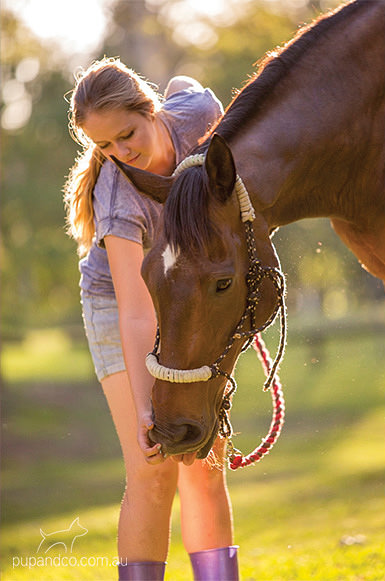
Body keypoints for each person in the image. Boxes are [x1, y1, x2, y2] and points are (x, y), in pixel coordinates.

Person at [64, 57, 237, 581]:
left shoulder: (198, 115)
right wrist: (146, 407)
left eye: (127, 134)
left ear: (151, 107)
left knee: (204, 459)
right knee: (154, 465)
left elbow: (191, 86)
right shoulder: (118, 194)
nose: (122, 152)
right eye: (106, 147)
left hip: (183, 296)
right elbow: (135, 311)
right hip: (119, 306)